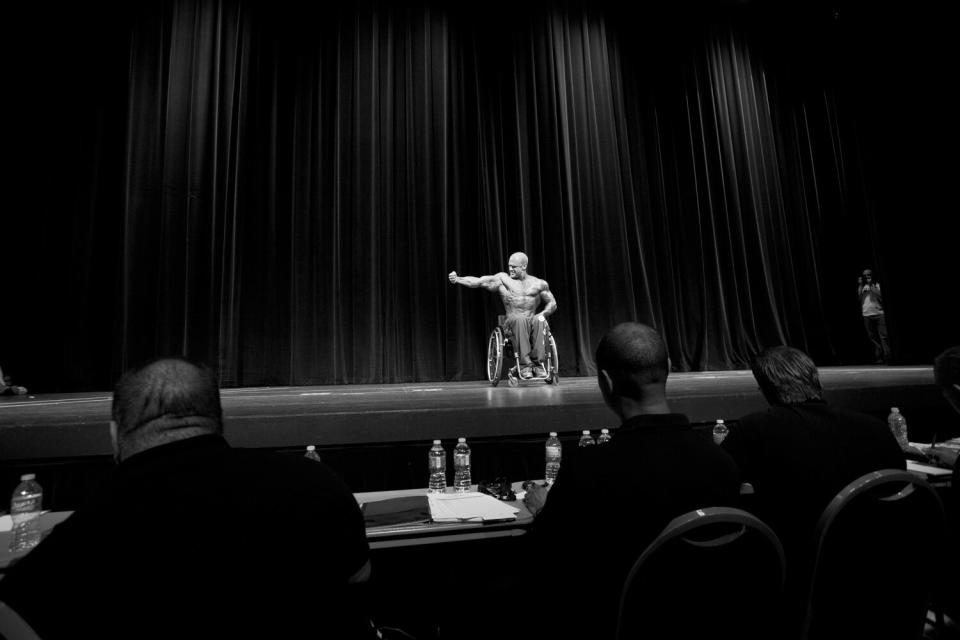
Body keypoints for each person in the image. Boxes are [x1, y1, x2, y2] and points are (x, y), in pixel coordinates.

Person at [0, 357, 375, 639]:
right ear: (217, 419)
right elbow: (359, 576)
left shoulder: (81, 540)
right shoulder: (315, 482)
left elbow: (16, 616)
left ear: (114, 434)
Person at [520, 322, 741, 639]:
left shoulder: (588, 471)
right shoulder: (723, 464)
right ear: (668, 369)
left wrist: (544, 507)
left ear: (606, 382)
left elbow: (544, 563)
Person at [720, 345, 905, 634]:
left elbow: (722, 482)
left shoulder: (753, 429)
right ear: (815, 380)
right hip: (882, 574)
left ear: (765, 390)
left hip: (801, 577)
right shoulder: (875, 428)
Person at [449, 252, 557, 379]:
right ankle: (525, 365)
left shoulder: (539, 283)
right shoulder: (503, 279)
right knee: (520, 318)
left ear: (524, 266)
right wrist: (458, 279)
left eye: (514, 266)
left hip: (532, 322)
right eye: (509, 266)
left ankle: (538, 365)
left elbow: (552, 303)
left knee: (540, 319)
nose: (510, 269)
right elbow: (478, 281)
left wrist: (542, 314)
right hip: (511, 323)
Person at [858, 268, 891, 364]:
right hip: (867, 314)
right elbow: (859, 298)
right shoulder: (862, 287)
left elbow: (881, 297)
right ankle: (879, 357)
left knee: (884, 336)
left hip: (879, 314)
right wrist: (860, 285)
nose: (867, 277)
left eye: (869, 274)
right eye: (865, 275)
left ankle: (888, 356)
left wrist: (871, 286)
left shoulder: (877, 285)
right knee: (872, 337)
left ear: (872, 275)